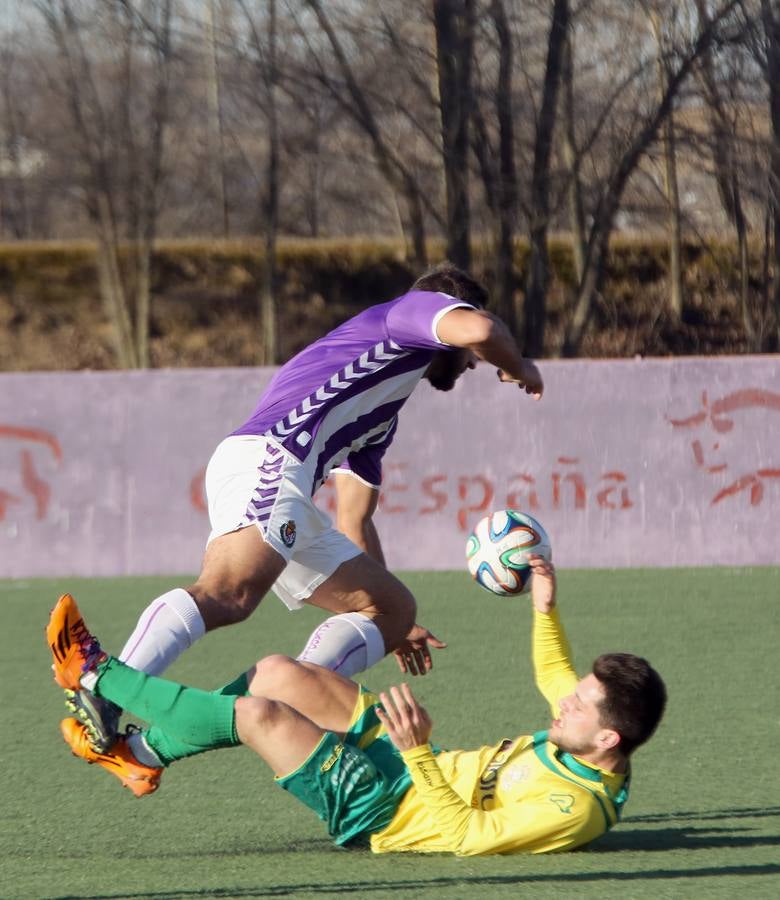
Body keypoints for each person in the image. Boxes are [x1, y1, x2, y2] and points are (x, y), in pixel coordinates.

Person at [65, 263, 545, 756]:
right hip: (272, 458)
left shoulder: (383, 409)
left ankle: (150, 751)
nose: (472, 364)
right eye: (469, 356)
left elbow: (355, 518)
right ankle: (100, 682)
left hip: (285, 482)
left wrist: (391, 630)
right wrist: (519, 366)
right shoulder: (404, 315)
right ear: (447, 318)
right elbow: (484, 330)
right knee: (228, 594)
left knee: (393, 608)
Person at [47, 557, 667, 855]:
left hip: (382, 812)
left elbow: (472, 838)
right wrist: (544, 606)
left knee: (261, 716)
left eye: (580, 706)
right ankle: (140, 756)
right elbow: (554, 670)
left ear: (608, 739)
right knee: (277, 674)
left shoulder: (574, 807)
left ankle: (100, 675)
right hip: (409, 769)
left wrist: (418, 752)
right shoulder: (591, 738)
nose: (565, 704)